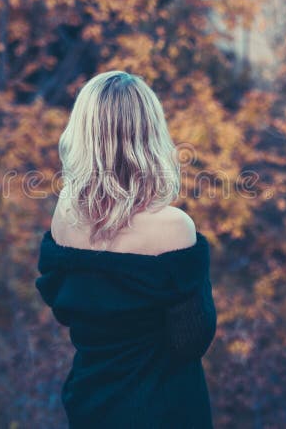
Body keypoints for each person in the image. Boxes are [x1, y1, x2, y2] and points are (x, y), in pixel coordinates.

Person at [35, 70, 217, 428]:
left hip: (91, 405)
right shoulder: (173, 227)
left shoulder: (64, 218)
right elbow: (190, 341)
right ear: (150, 136)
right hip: (163, 411)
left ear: (82, 135)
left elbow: (67, 308)